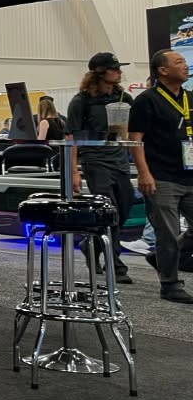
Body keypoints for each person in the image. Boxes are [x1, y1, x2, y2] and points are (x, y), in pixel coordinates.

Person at [129, 49, 193, 303]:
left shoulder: (190, 97)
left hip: (189, 174)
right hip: (161, 176)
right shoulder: (147, 100)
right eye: (179, 62)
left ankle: (160, 258)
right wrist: (144, 174)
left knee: (175, 235)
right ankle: (170, 284)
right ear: (162, 70)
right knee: (166, 232)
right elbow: (135, 140)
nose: (185, 65)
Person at [67, 52, 135, 285]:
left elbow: (133, 131)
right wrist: (74, 170)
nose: (118, 72)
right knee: (110, 211)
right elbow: (71, 136)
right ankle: (115, 262)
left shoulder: (124, 97)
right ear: (99, 72)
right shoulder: (82, 100)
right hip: (95, 161)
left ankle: (90, 243)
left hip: (120, 160)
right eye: (113, 68)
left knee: (124, 208)